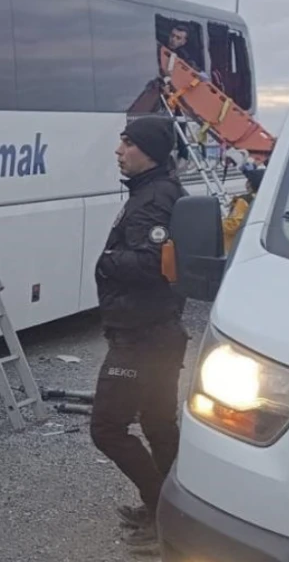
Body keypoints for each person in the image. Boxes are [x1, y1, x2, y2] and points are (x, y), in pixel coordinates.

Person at [91, 115, 189, 551]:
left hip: (142, 338)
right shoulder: (155, 191)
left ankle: (162, 512)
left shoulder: (154, 199)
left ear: (148, 151)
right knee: (158, 424)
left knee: (107, 428)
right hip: (157, 333)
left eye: (127, 143)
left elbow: (152, 263)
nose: (119, 150)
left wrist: (105, 261)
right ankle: (173, 513)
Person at [222, 165, 265, 252]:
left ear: (251, 184)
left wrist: (219, 225)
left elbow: (233, 225)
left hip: (236, 248)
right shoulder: (268, 199)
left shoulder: (244, 201)